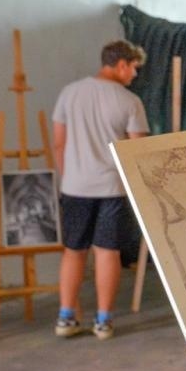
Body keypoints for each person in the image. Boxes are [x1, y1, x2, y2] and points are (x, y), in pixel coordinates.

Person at [51, 39, 150, 341]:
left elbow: (59, 143)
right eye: (134, 68)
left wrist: (70, 177)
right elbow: (137, 150)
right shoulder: (130, 101)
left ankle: (66, 317)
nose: (135, 74)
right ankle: (103, 321)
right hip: (112, 188)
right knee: (107, 252)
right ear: (121, 64)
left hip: (75, 187)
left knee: (73, 251)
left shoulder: (69, 93)